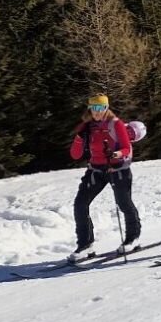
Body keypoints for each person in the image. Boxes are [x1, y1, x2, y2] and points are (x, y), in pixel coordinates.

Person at [67, 94, 142, 261]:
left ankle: (133, 238)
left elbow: (126, 147)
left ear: (107, 108)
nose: (97, 111)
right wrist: (79, 138)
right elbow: (75, 155)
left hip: (117, 169)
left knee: (124, 203)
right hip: (96, 170)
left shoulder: (116, 124)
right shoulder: (87, 126)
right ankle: (85, 245)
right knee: (80, 204)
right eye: (94, 108)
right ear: (90, 108)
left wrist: (116, 154)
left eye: (101, 108)